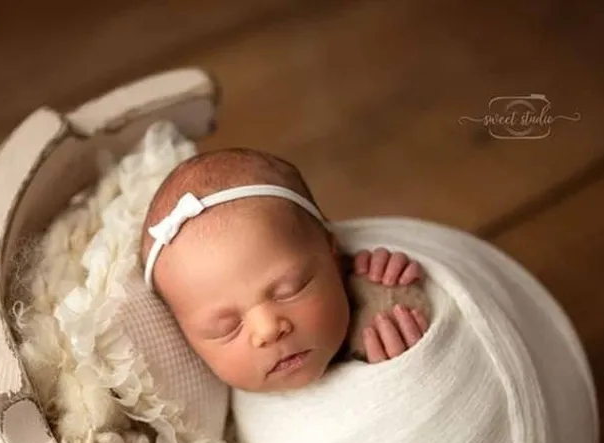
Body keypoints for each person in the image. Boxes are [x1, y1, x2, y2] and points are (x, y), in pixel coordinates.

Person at [140, 148, 430, 393]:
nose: (267, 330)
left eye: (291, 289)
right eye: (226, 328)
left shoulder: (365, 282)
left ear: (333, 253)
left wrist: (390, 283)